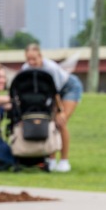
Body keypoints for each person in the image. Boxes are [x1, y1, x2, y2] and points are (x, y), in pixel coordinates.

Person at [22, 42, 79, 172]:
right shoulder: (25, 69)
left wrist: (60, 112)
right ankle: (51, 160)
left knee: (60, 122)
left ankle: (64, 161)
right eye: (28, 59)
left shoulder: (50, 68)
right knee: (48, 123)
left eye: (34, 59)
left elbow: (55, 93)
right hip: (47, 94)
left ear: (40, 56)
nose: (31, 62)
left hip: (68, 88)